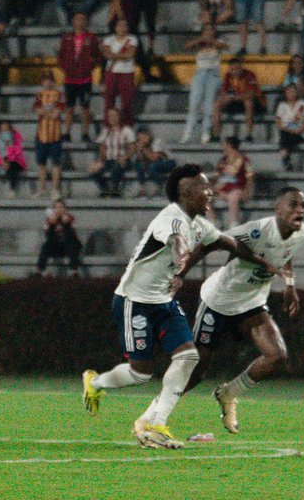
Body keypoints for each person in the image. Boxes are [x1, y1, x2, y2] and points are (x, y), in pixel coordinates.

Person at [81, 164, 284, 448]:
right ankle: (96, 383)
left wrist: (265, 264)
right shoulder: (171, 220)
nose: (210, 191)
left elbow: (230, 244)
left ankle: (156, 425)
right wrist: (180, 253)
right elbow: (175, 238)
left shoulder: (199, 224)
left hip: (163, 302)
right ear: (188, 194)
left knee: (189, 358)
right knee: (140, 373)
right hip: (133, 301)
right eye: (204, 187)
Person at [183, 188, 304, 434]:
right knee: (197, 372)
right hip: (219, 300)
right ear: (278, 210)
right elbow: (212, 241)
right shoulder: (257, 231)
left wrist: (290, 285)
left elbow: (288, 252)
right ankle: (155, 415)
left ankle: (229, 393)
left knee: (277, 355)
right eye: (294, 205)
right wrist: (180, 274)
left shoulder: (302, 233)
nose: (300, 211)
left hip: (251, 302)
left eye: (303, 206)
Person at [181, 24, 228, 144]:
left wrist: (210, 40)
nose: (209, 32)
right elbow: (186, 46)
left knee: (209, 104)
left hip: (213, 74)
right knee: (194, 103)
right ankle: (188, 131)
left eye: (211, 29)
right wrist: (201, 39)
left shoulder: (219, 40)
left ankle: (206, 132)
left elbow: (224, 46)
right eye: (206, 30)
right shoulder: (199, 42)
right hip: (200, 73)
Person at [58, 12, 99, 142]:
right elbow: (61, 55)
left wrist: (89, 66)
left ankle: (85, 133)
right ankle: (67, 133)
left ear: (86, 22)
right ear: (73, 22)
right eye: (77, 19)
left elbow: (97, 55)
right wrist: (66, 67)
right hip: (70, 78)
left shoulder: (91, 37)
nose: (80, 21)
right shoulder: (66, 38)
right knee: (69, 106)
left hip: (85, 78)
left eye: (82, 19)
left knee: (85, 107)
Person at [213, 57, 265, 142]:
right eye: (233, 69)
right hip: (238, 101)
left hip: (257, 103)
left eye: (238, 68)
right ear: (230, 69)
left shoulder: (249, 74)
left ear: (241, 67)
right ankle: (216, 135)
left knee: (248, 102)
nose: (236, 71)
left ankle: (249, 135)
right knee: (217, 104)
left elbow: (251, 93)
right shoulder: (228, 76)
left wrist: (233, 97)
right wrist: (226, 98)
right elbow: (223, 91)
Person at [89, 107, 135, 197]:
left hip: (123, 159)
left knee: (116, 167)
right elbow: (102, 148)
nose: (112, 118)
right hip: (109, 160)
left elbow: (133, 148)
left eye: (114, 116)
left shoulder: (126, 130)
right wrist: (100, 161)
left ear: (119, 117)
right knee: (94, 171)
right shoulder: (106, 131)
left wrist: (125, 157)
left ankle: (115, 189)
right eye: (110, 116)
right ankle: (105, 188)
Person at [101, 18, 138, 125]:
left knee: (127, 103)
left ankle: (127, 127)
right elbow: (107, 55)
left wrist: (114, 56)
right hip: (111, 72)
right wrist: (122, 56)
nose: (122, 28)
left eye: (125, 25)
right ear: (115, 28)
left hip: (127, 72)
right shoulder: (109, 39)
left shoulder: (132, 39)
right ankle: (108, 127)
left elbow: (130, 55)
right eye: (120, 26)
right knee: (109, 102)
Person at [215, 136, 253, 229]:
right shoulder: (223, 160)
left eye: (224, 145)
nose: (223, 147)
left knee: (233, 196)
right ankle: (214, 222)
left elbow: (250, 177)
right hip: (222, 189)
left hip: (237, 189)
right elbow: (217, 176)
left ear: (229, 146)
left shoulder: (244, 160)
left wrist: (246, 191)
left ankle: (234, 224)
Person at [37, 200, 82, 274]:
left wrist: (66, 224)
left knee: (73, 245)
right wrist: (52, 225)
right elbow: (48, 236)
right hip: (56, 246)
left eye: (61, 207)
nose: (59, 210)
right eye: (56, 208)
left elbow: (71, 235)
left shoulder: (71, 218)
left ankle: (74, 271)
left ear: (65, 209)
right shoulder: (49, 220)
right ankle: (39, 270)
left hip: (68, 245)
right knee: (46, 246)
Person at [0, 120, 27, 199]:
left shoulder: (16, 137)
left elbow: (17, 152)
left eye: (7, 129)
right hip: (1, 161)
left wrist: (9, 148)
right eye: (2, 129)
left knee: (13, 167)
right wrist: (2, 161)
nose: (5, 131)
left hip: (15, 160)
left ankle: (12, 190)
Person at [274, 84, 304, 171]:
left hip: (300, 133)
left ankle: (286, 159)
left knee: (284, 139)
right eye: (288, 91)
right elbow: (278, 122)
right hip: (286, 132)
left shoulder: (303, 104)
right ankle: (286, 159)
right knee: (284, 134)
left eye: (293, 91)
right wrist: (287, 129)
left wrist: (299, 130)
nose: (291, 93)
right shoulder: (282, 105)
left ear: (297, 93)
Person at [129, 128, 175, 198]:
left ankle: (160, 187)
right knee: (138, 165)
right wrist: (139, 152)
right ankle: (142, 189)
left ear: (149, 136)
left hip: (167, 162)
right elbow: (139, 160)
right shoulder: (140, 146)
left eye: (144, 138)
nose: (142, 141)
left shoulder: (157, 142)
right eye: (140, 139)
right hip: (151, 163)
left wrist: (143, 150)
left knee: (153, 167)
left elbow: (154, 158)